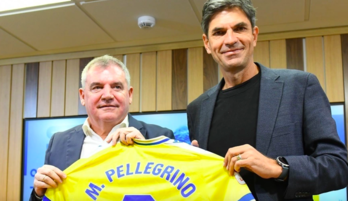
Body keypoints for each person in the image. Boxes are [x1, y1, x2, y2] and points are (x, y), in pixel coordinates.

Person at [187, 0, 348, 200]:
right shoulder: (197, 108)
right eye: (219, 32)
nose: (230, 39)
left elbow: (338, 167)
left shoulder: (300, 86)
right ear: (207, 43)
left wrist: (276, 166)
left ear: (254, 35)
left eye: (239, 28)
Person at [30, 55, 174, 201]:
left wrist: (148, 153)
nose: (107, 95)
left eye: (116, 87)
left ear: (129, 94)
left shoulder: (160, 137)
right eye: (97, 87)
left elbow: (176, 194)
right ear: (83, 96)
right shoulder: (58, 142)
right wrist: (38, 194)